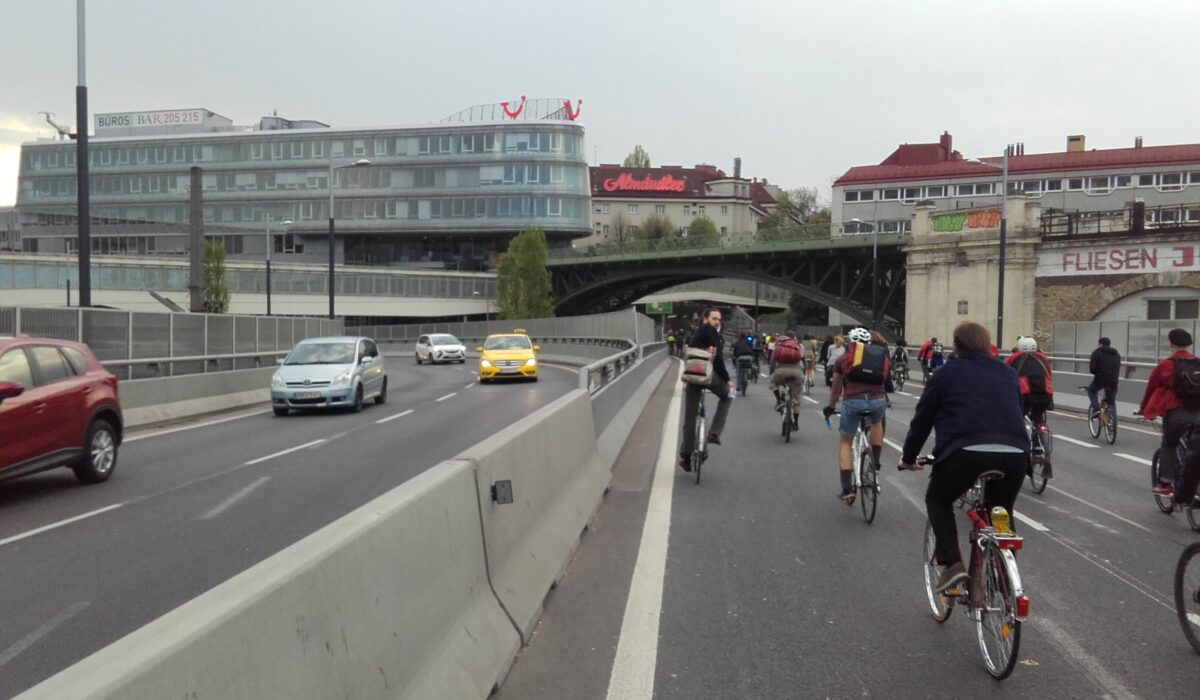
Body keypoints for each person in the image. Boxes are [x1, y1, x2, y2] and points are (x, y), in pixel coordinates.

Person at [897, 321, 1028, 592]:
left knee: (938, 498)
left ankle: (953, 564)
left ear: (956, 346)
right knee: (1000, 508)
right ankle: (1006, 577)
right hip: (1015, 453)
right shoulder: (1007, 372)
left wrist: (909, 457)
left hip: (965, 452)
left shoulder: (946, 373)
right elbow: (1017, 409)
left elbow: (922, 420)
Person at [823, 327, 889, 502]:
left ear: (849, 342)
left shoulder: (844, 359)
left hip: (853, 400)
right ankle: (875, 462)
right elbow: (884, 380)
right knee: (876, 423)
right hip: (878, 400)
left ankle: (847, 488)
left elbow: (836, 389)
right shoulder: (881, 357)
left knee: (846, 441)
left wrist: (830, 407)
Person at [1139, 328, 1200, 498]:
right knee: (1195, 448)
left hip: (1176, 412)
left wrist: (1144, 409)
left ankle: (1165, 482)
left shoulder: (1166, 364)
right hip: (1197, 412)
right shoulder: (1198, 362)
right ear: (1188, 345)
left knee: (1169, 444)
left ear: (1171, 344)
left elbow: (1151, 389)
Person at [679, 308, 733, 471]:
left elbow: (689, 357)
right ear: (705, 319)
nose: (717, 322)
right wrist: (727, 380)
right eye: (714, 318)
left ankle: (686, 457)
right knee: (727, 396)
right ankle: (714, 433)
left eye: (719, 319)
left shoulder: (696, 335)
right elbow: (717, 360)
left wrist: (686, 379)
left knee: (689, 418)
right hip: (708, 376)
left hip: (693, 376)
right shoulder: (710, 331)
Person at [1006, 337, 1055, 475]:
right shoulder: (1043, 358)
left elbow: (1007, 376)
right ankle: (1039, 448)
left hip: (1024, 393)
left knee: (1017, 419)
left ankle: (1020, 449)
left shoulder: (1014, 358)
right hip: (1045, 393)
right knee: (1038, 419)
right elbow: (1049, 376)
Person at [769, 330, 807, 426]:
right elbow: (803, 361)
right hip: (797, 373)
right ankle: (796, 423)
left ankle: (778, 400)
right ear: (794, 337)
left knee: (773, 382)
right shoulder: (799, 346)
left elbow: (772, 363)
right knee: (796, 400)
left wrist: (772, 374)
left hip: (780, 373)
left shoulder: (778, 346)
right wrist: (803, 373)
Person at [1087, 337, 1122, 416]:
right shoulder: (1116, 354)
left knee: (1091, 391)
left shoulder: (1097, 352)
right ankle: (1112, 421)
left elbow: (1092, 369)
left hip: (1100, 380)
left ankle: (1096, 409)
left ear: (1101, 344)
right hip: (1113, 381)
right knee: (1111, 400)